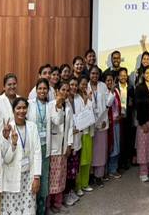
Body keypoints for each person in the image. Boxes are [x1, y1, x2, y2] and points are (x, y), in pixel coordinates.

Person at [1, 98, 42, 215]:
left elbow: (37, 152)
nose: (21, 111)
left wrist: (36, 177)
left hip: (28, 177)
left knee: (28, 209)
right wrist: (12, 144)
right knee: (12, 210)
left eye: (24, 108)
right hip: (12, 177)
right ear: (13, 110)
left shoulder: (32, 127)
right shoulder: (8, 128)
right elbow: (6, 159)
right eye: (18, 108)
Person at [26, 79, 56, 215]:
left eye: (45, 89)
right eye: (40, 88)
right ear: (36, 90)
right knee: (32, 178)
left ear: (48, 91)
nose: (42, 91)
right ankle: (30, 210)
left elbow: (57, 121)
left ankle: (42, 210)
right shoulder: (29, 104)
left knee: (43, 179)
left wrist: (58, 107)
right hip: (32, 148)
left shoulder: (51, 105)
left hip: (45, 147)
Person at [47, 81, 72, 214]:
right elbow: (57, 121)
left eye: (67, 90)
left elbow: (70, 126)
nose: (65, 93)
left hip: (63, 148)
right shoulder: (51, 105)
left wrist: (69, 144)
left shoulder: (68, 105)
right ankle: (48, 205)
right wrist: (58, 106)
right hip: (53, 148)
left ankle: (58, 203)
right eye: (63, 90)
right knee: (51, 179)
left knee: (61, 177)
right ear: (57, 91)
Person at [90, 66, 114, 188]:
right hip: (89, 125)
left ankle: (98, 176)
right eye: (92, 73)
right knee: (90, 151)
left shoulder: (103, 86)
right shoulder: (85, 86)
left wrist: (112, 92)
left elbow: (108, 103)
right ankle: (90, 175)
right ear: (89, 74)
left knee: (100, 151)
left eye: (96, 74)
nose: (95, 75)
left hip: (102, 123)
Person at [63, 78, 82, 206]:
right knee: (68, 170)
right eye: (71, 85)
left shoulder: (76, 99)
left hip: (77, 138)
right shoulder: (64, 102)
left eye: (76, 85)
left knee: (74, 169)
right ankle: (66, 195)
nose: (74, 87)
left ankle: (70, 191)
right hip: (68, 141)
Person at [75, 76, 95, 195]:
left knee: (87, 159)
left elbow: (92, 111)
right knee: (79, 161)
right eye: (81, 84)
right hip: (80, 133)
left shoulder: (88, 95)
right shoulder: (76, 98)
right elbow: (79, 114)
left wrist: (89, 99)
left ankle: (85, 183)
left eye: (85, 84)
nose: (83, 86)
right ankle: (78, 186)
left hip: (88, 132)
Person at [116, 68, 135, 171]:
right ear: (118, 77)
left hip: (127, 117)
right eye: (121, 75)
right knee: (119, 140)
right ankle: (119, 162)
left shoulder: (130, 88)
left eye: (125, 75)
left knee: (127, 139)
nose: (123, 77)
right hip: (118, 117)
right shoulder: (115, 88)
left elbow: (133, 102)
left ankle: (126, 161)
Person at [106, 73, 122, 180]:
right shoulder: (104, 92)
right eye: (107, 80)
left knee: (116, 147)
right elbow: (107, 105)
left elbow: (119, 105)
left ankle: (114, 169)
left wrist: (120, 115)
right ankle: (108, 170)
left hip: (117, 123)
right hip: (108, 124)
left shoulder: (116, 91)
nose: (110, 82)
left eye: (111, 80)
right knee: (110, 146)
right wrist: (111, 91)